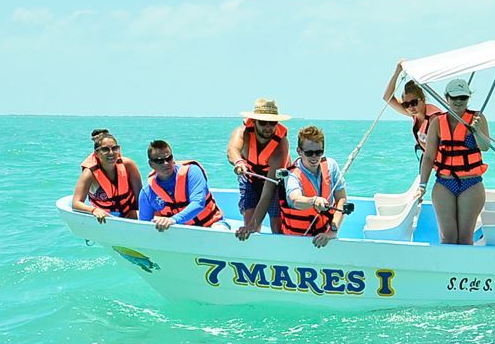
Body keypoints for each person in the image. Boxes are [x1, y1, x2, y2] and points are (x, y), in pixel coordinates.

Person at [418, 78, 490, 245]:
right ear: (447, 98)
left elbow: (485, 147)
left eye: (463, 97)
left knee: (465, 238)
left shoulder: (478, 118)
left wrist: (477, 131)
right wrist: (422, 186)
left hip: (471, 184)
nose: (459, 101)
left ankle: (464, 270)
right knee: (448, 237)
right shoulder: (437, 122)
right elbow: (429, 157)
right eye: (454, 97)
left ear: (468, 98)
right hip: (444, 183)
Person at [226, 98, 291, 240]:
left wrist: (252, 226)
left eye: (273, 123)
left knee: (276, 226)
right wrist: (238, 162)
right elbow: (232, 149)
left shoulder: (281, 145)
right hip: (250, 178)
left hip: (274, 183)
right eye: (262, 122)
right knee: (249, 225)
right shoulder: (242, 133)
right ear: (254, 121)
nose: (268, 127)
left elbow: (268, 191)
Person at [282, 126, 347, 248]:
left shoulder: (331, 166)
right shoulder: (293, 175)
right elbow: (295, 199)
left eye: (319, 152)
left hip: (326, 236)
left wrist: (332, 231)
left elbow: (341, 199)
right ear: (299, 151)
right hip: (297, 241)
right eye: (309, 153)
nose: (314, 157)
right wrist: (314, 200)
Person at [139, 140, 225, 232]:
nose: (166, 163)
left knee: (220, 231)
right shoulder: (147, 193)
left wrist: (173, 220)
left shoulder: (192, 173)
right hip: (178, 233)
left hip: (211, 224)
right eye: (159, 161)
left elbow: (198, 203)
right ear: (151, 164)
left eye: (168, 158)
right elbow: (145, 226)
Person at [72, 129, 142, 222]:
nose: (111, 153)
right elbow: (76, 203)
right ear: (96, 154)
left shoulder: (128, 165)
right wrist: (94, 210)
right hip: (105, 219)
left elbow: (140, 197)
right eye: (105, 150)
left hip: (130, 215)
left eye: (115, 148)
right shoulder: (89, 173)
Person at [382, 60, 443, 163]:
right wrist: (397, 72)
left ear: (423, 99)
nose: (410, 107)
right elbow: (387, 98)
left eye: (414, 102)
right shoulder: (415, 114)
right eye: (406, 104)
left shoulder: (435, 119)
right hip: (430, 161)